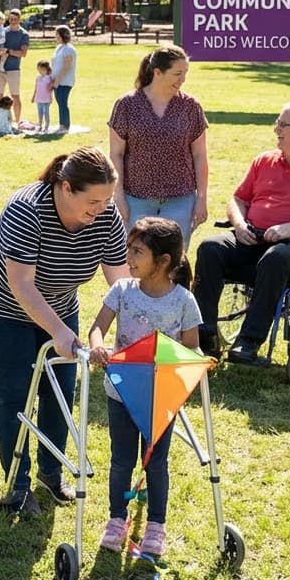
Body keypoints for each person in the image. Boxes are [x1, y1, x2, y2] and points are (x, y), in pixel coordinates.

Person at [0, 147, 129, 517]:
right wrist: (58, 331)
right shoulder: (27, 209)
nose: (101, 209)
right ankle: (17, 488)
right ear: (66, 188)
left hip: (59, 303)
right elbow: (21, 285)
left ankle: (51, 474)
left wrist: (138, 330)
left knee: (60, 391)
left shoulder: (105, 216)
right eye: (93, 200)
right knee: (15, 394)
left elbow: (121, 284)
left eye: (107, 200)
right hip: (0, 304)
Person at [193, 102, 290, 364]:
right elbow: (238, 199)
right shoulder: (264, 160)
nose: (276, 128)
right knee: (209, 248)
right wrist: (240, 224)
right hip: (253, 236)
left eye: (282, 124)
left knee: (276, 257)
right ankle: (204, 337)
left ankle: (248, 342)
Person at [88, 217, 202, 557]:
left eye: (137, 252)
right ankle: (115, 519)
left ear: (164, 261)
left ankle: (156, 525)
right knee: (121, 460)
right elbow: (98, 328)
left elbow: (192, 347)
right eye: (128, 249)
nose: (129, 258)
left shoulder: (183, 301)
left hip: (160, 397)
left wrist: (191, 371)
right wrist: (96, 345)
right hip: (121, 391)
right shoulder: (122, 291)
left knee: (156, 463)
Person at [108, 45, 208, 247]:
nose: (183, 80)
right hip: (135, 198)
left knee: (172, 262)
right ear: (157, 72)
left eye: (185, 73)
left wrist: (202, 199)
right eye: (177, 74)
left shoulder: (191, 107)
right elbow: (116, 154)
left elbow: (200, 155)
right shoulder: (126, 105)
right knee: (136, 261)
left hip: (181, 198)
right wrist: (118, 197)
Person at [0, 7, 29, 120]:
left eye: (15, 19)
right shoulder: (2, 31)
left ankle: (17, 121)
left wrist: (9, 51)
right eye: (11, 19)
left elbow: (23, 53)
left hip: (13, 69)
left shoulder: (23, 34)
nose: (13, 21)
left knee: (15, 96)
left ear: (19, 19)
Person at [50, 25, 77, 133]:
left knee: (62, 102)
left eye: (57, 34)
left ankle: (65, 126)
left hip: (65, 81)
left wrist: (57, 81)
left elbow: (67, 67)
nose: (55, 37)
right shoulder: (59, 48)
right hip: (57, 80)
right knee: (59, 101)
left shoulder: (69, 49)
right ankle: (62, 124)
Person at [31, 59, 54, 133]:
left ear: (46, 69)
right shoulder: (38, 78)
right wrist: (33, 97)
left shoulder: (49, 78)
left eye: (41, 70)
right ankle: (40, 124)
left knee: (46, 112)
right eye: (39, 70)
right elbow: (36, 88)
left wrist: (51, 97)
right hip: (38, 98)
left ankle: (47, 126)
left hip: (46, 99)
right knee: (40, 112)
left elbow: (51, 89)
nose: (40, 71)